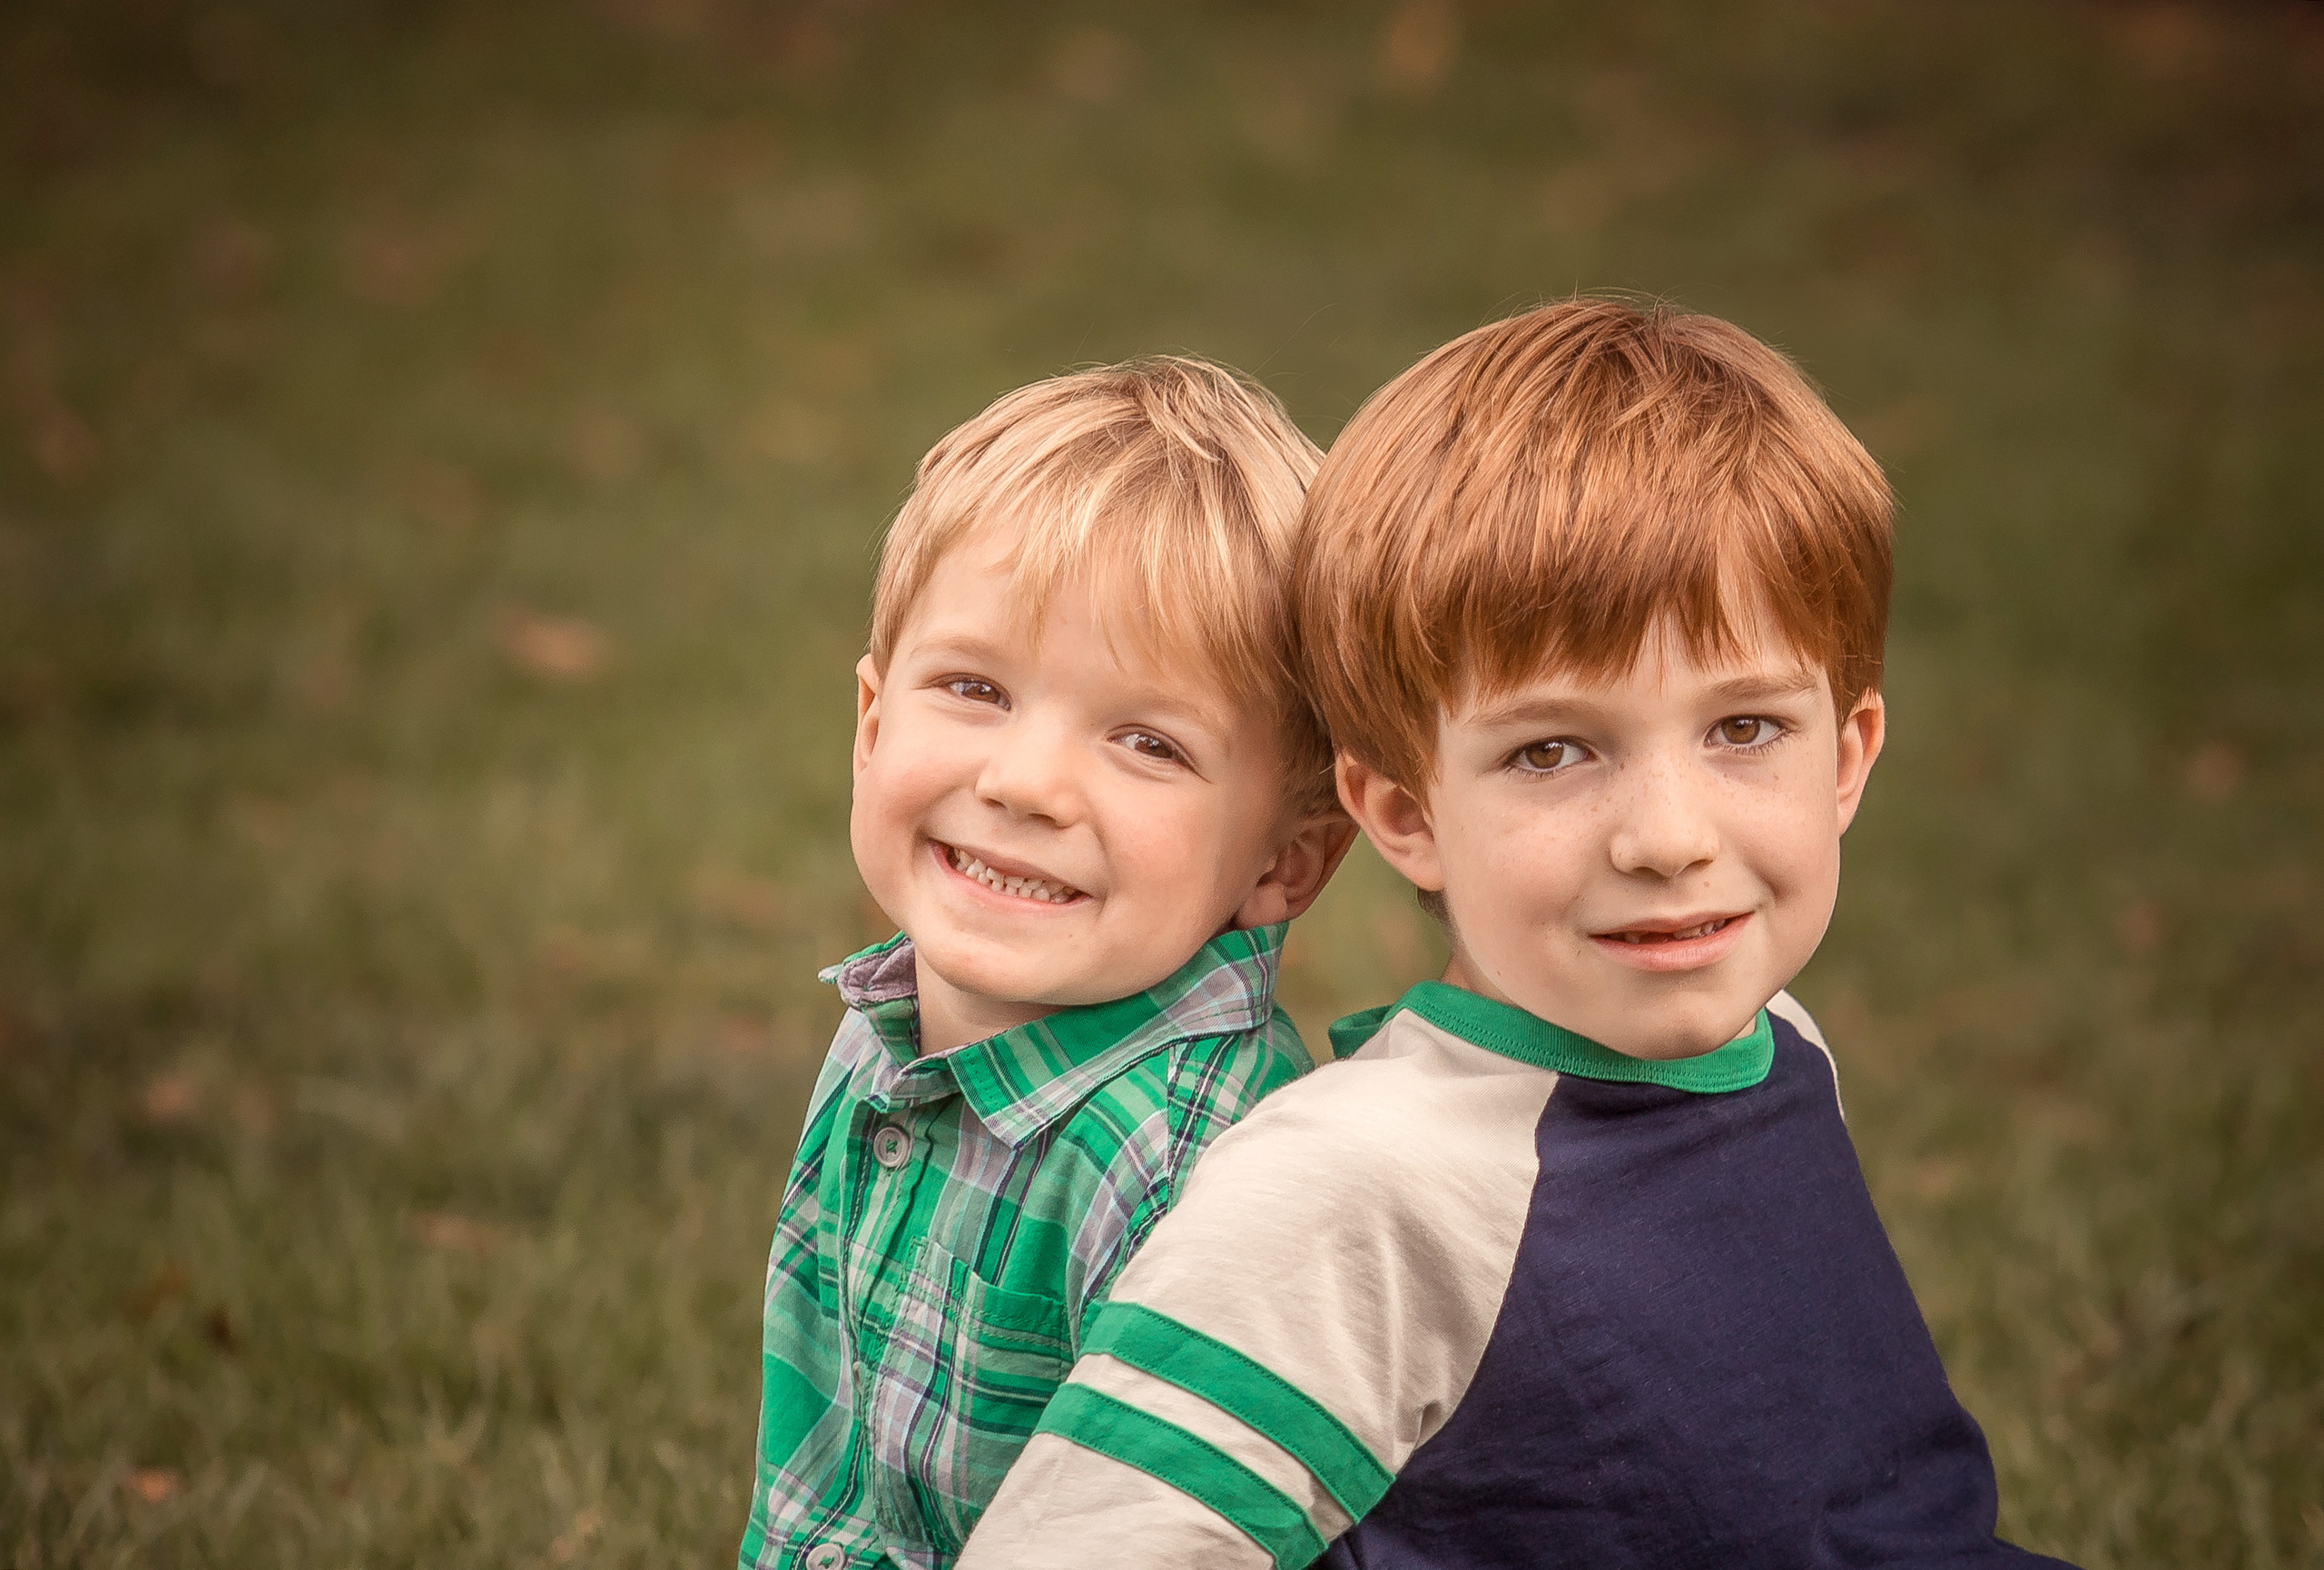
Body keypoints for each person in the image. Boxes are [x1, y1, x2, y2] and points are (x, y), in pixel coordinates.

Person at [957, 300, 2080, 1568]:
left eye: (1745, 728)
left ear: (1848, 756)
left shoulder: (1779, 1042)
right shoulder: (1362, 1181)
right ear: (1403, 808)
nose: (1668, 836)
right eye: (1552, 748)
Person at [737, 356, 1357, 1570]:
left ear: (1285, 861)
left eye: (1145, 741)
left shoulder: (1197, 1172)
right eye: (974, 686)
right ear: (871, 728)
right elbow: (818, 1482)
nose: (1023, 781)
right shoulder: (888, 1027)